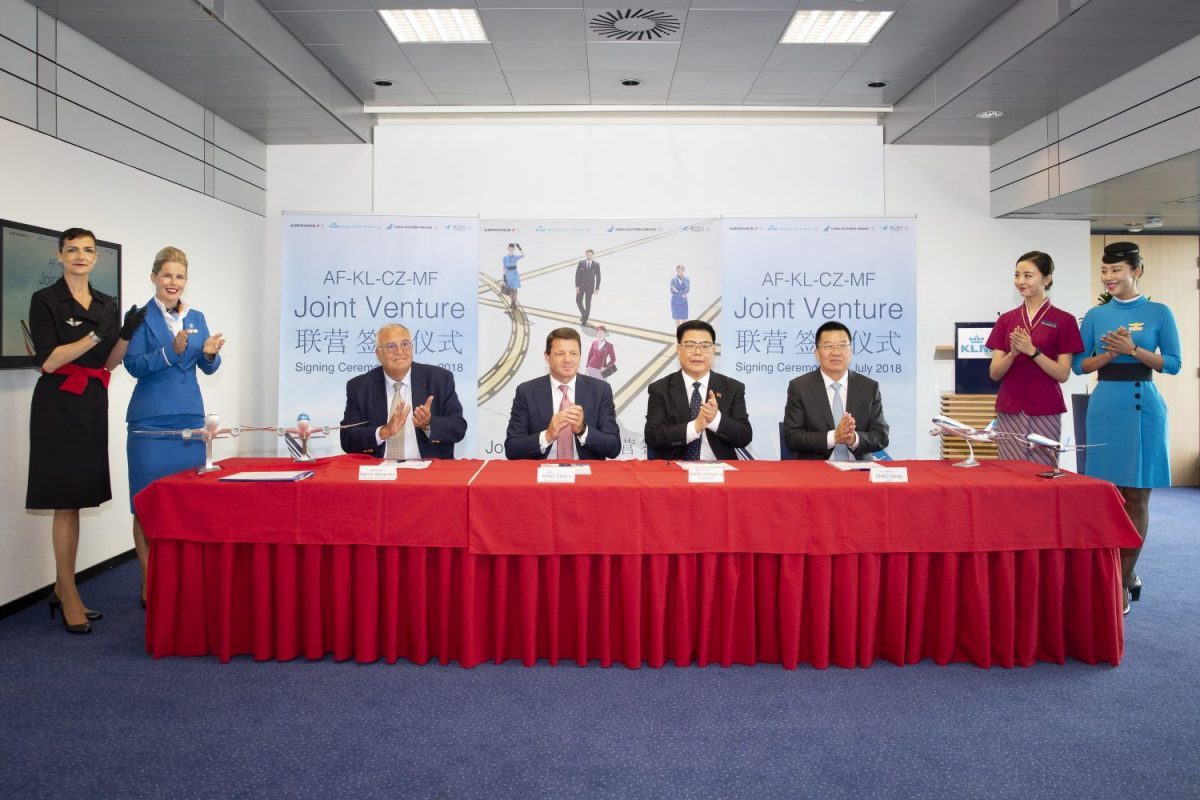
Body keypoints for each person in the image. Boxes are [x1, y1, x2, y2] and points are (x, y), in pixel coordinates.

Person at [26, 227, 146, 634]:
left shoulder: (106, 302)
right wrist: (95, 333)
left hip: (93, 403)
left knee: (78, 497)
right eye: (73, 249)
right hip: (57, 404)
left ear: (95, 258)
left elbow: (108, 363)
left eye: (88, 250)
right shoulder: (45, 300)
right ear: (60, 256)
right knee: (65, 501)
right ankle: (69, 594)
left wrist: (125, 334)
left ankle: (61, 588)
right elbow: (49, 360)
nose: (81, 255)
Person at [1072, 242, 1181, 615]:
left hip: (1144, 407)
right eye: (1105, 271)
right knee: (1108, 495)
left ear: (1137, 271)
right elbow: (1079, 365)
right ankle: (1113, 572)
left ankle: (1121, 579)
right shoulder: (1096, 315)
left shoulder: (1159, 312)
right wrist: (1108, 354)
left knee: (1136, 496)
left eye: (1116, 270)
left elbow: (1173, 363)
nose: (1109, 277)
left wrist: (1133, 350)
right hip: (1106, 407)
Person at [124, 246, 225, 608]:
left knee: (186, 504)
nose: (173, 282)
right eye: (167, 275)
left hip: (189, 421)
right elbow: (133, 365)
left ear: (186, 281)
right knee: (146, 505)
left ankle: (184, 579)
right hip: (150, 423)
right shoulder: (139, 318)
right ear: (154, 277)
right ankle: (149, 580)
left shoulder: (197, 316)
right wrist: (172, 349)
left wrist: (209, 352)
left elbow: (208, 368)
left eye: (179, 276)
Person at [986, 251, 1084, 464]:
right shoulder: (1006, 320)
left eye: (1028, 276)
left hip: (1045, 407)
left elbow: (1063, 374)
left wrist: (1033, 352)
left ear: (1046, 279)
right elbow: (994, 373)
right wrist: (1013, 354)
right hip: (1010, 407)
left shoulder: (1064, 320)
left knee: (1042, 471)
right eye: (1017, 275)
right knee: (1010, 471)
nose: (1020, 281)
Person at [341, 323, 467, 459]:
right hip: (378, 469)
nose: (399, 351)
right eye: (391, 346)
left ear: (412, 347)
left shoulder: (439, 379)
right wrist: (383, 432)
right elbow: (348, 439)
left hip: (427, 468)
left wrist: (428, 424)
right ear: (378, 354)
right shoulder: (360, 387)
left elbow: (458, 428)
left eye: (405, 344)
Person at [505, 327, 621, 460]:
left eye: (573, 353)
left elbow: (614, 447)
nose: (568, 360)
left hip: (586, 471)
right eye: (560, 354)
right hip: (542, 470)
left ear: (580, 356)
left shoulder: (600, 390)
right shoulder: (526, 392)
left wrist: (582, 430)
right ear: (547, 357)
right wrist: (547, 435)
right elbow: (512, 449)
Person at [644, 319, 752, 460]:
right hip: (675, 468)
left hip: (720, 468)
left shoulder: (733, 388)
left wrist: (715, 419)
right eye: (690, 345)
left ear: (713, 351)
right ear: (679, 350)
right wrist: (695, 427)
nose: (697, 352)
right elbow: (653, 435)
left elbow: (744, 436)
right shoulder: (660, 389)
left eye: (705, 346)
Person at [783, 321, 888, 460]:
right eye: (828, 346)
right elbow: (792, 437)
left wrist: (854, 438)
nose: (836, 352)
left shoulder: (869, 387)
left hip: (859, 469)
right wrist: (834, 437)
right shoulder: (800, 387)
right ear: (817, 353)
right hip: (816, 470)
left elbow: (881, 436)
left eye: (843, 346)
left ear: (850, 352)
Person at [575, 248, 601, 326]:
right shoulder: (581, 263)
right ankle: (584, 314)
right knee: (578, 301)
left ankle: (585, 320)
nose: (589, 256)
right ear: (586, 254)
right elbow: (577, 275)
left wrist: (597, 288)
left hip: (590, 287)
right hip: (581, 286)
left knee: (587, 303)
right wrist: (577, 286)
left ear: (592, 255)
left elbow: (598, 277)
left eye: (590, 255)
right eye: (588, 254)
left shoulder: (596, 264)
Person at [502, 243, 523, 311]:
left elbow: (523, 255)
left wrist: (519, 248)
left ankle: (514, 304)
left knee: (515, 289)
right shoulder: (505, 258)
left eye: (512, 248)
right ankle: (512, 303)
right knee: (510, 290)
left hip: (515, 274)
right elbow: (504, 267)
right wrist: (504, 276)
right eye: (510, 248)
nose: (511, 249)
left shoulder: (515, 257)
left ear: (514, 249)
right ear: (508, 248)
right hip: (508, 274)